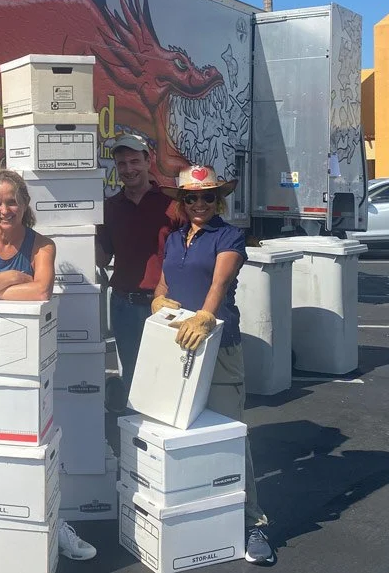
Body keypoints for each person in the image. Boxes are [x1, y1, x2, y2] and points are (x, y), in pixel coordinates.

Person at [0, 168, 97, 561]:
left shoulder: (42, 245)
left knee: (32, 446)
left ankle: (50, 521)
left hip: (26, 357)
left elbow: (42, 290)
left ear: (25, 203)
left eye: (11, 202)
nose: (4, 210)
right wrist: (14, 277)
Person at [153, 165, 275, 566]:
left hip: (219, 346)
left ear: (218, 200)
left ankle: (252, 523)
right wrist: (158, 299)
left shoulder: (229, 235)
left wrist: (206, 316)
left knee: (230, 434)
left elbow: (219, 284)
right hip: (178, 346)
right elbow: (166, 282)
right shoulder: (174, 239)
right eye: (191, 197)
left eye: (207, 196)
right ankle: (198, 513)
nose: (199, 204)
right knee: (180, 430)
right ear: (182, 202)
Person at [96, 134, 178, 411]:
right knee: (134, 375)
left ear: (148, 160)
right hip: (125, 305)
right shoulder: (110, 208)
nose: (128, 169)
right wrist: (81, 224)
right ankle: (136, 432)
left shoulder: (172, 203)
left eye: (134, 161)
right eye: (122, 164)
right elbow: (102, 257)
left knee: (169, 374)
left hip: (167, 305)